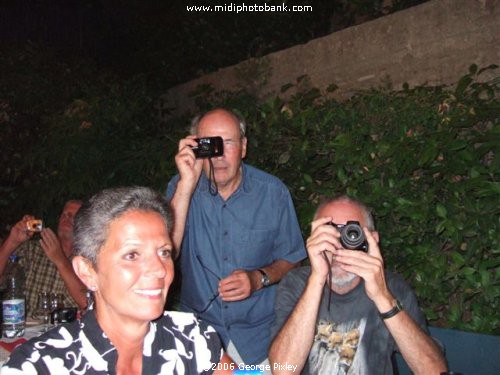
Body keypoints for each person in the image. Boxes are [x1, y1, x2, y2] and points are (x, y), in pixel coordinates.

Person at [2, 186, 234, 374]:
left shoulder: (192, 337)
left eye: (163, 252)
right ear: (87, 271)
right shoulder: (43, 365)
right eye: (132, 255)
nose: (159, 270)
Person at [167, 108, 306, 367]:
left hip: (259, 338)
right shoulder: (181, 188)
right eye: (210, 144)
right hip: (197, 335)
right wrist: (186, 184)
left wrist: (258, 278)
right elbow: (165, 253)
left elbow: (293, 259)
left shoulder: (273, 193)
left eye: (227, 142)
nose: (218, 155)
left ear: (243, 147)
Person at [269, 196, 448, 374]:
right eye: (329, 233)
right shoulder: (297, 283)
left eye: (351, 233)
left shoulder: (391, 286)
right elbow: (283, 370)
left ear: (372, 239)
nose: (338, 246)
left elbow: (433, 371)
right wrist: (317, 278)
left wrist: (383, 297)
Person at [0, 200, 87, 312]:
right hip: (22, 327)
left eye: (73, 216)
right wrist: (12, 241)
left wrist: (60, 260)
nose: (66, 218)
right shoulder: (33, 250)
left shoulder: (87, 261)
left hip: (63, 329)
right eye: (64, 214)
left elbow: (86, 304)